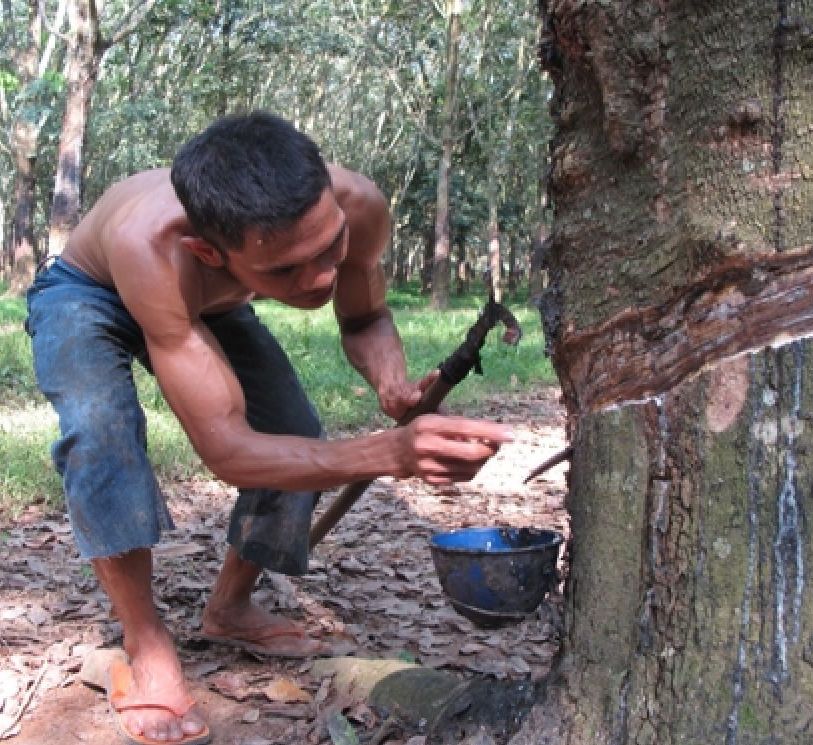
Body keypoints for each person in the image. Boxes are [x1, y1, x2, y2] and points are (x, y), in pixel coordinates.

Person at [25, 111, 512, 745]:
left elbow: (363, 319)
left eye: (329, 250)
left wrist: (392, 386)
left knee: (291, 426)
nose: (319, 281)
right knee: (100, 435)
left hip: (211, 298)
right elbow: (227, 449)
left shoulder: (356, 205)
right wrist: (387, 452)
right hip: (90, 290)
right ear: (210, 252)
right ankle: (146, 642)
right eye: (285, 272)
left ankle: (228, 608)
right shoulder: (155, 246)